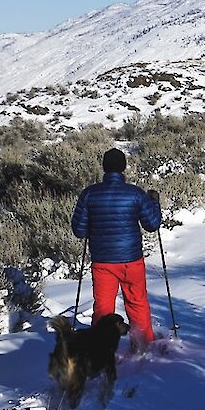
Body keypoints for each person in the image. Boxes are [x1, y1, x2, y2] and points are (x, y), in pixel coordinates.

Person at [71, 147, 164, 350]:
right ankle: (143, 346)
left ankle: (99, 348)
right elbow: (152, 224)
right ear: (124, 168)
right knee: (137, 303)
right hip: (131, 260)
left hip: (102, 261)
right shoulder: (136, 194)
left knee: (103, 307)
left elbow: (79, 230)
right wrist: (155, 203)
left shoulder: (89, 194)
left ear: (104, 168)